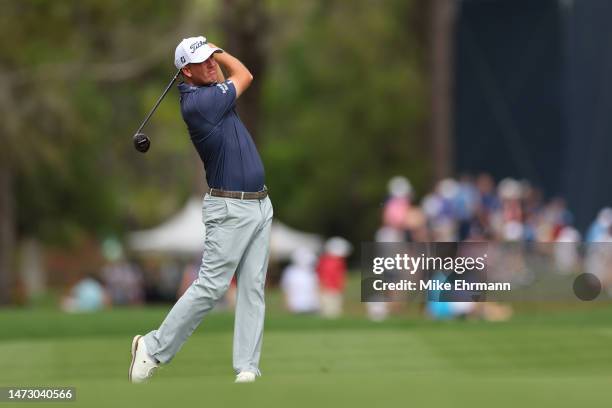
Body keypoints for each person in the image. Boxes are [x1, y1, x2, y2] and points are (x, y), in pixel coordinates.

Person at [129, 36, 273, 384]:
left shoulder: (212, 92)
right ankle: (152, 347)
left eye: (212, 58)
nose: (211, 64)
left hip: (259, 204)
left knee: (253, 287)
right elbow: (245, 74)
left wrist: (208, 52)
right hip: (229, 208)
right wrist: (221, 50)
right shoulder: (199, 103)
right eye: (203, 61)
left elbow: (227, 78)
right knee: (211, 286)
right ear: (186, 73)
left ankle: (247, 368)